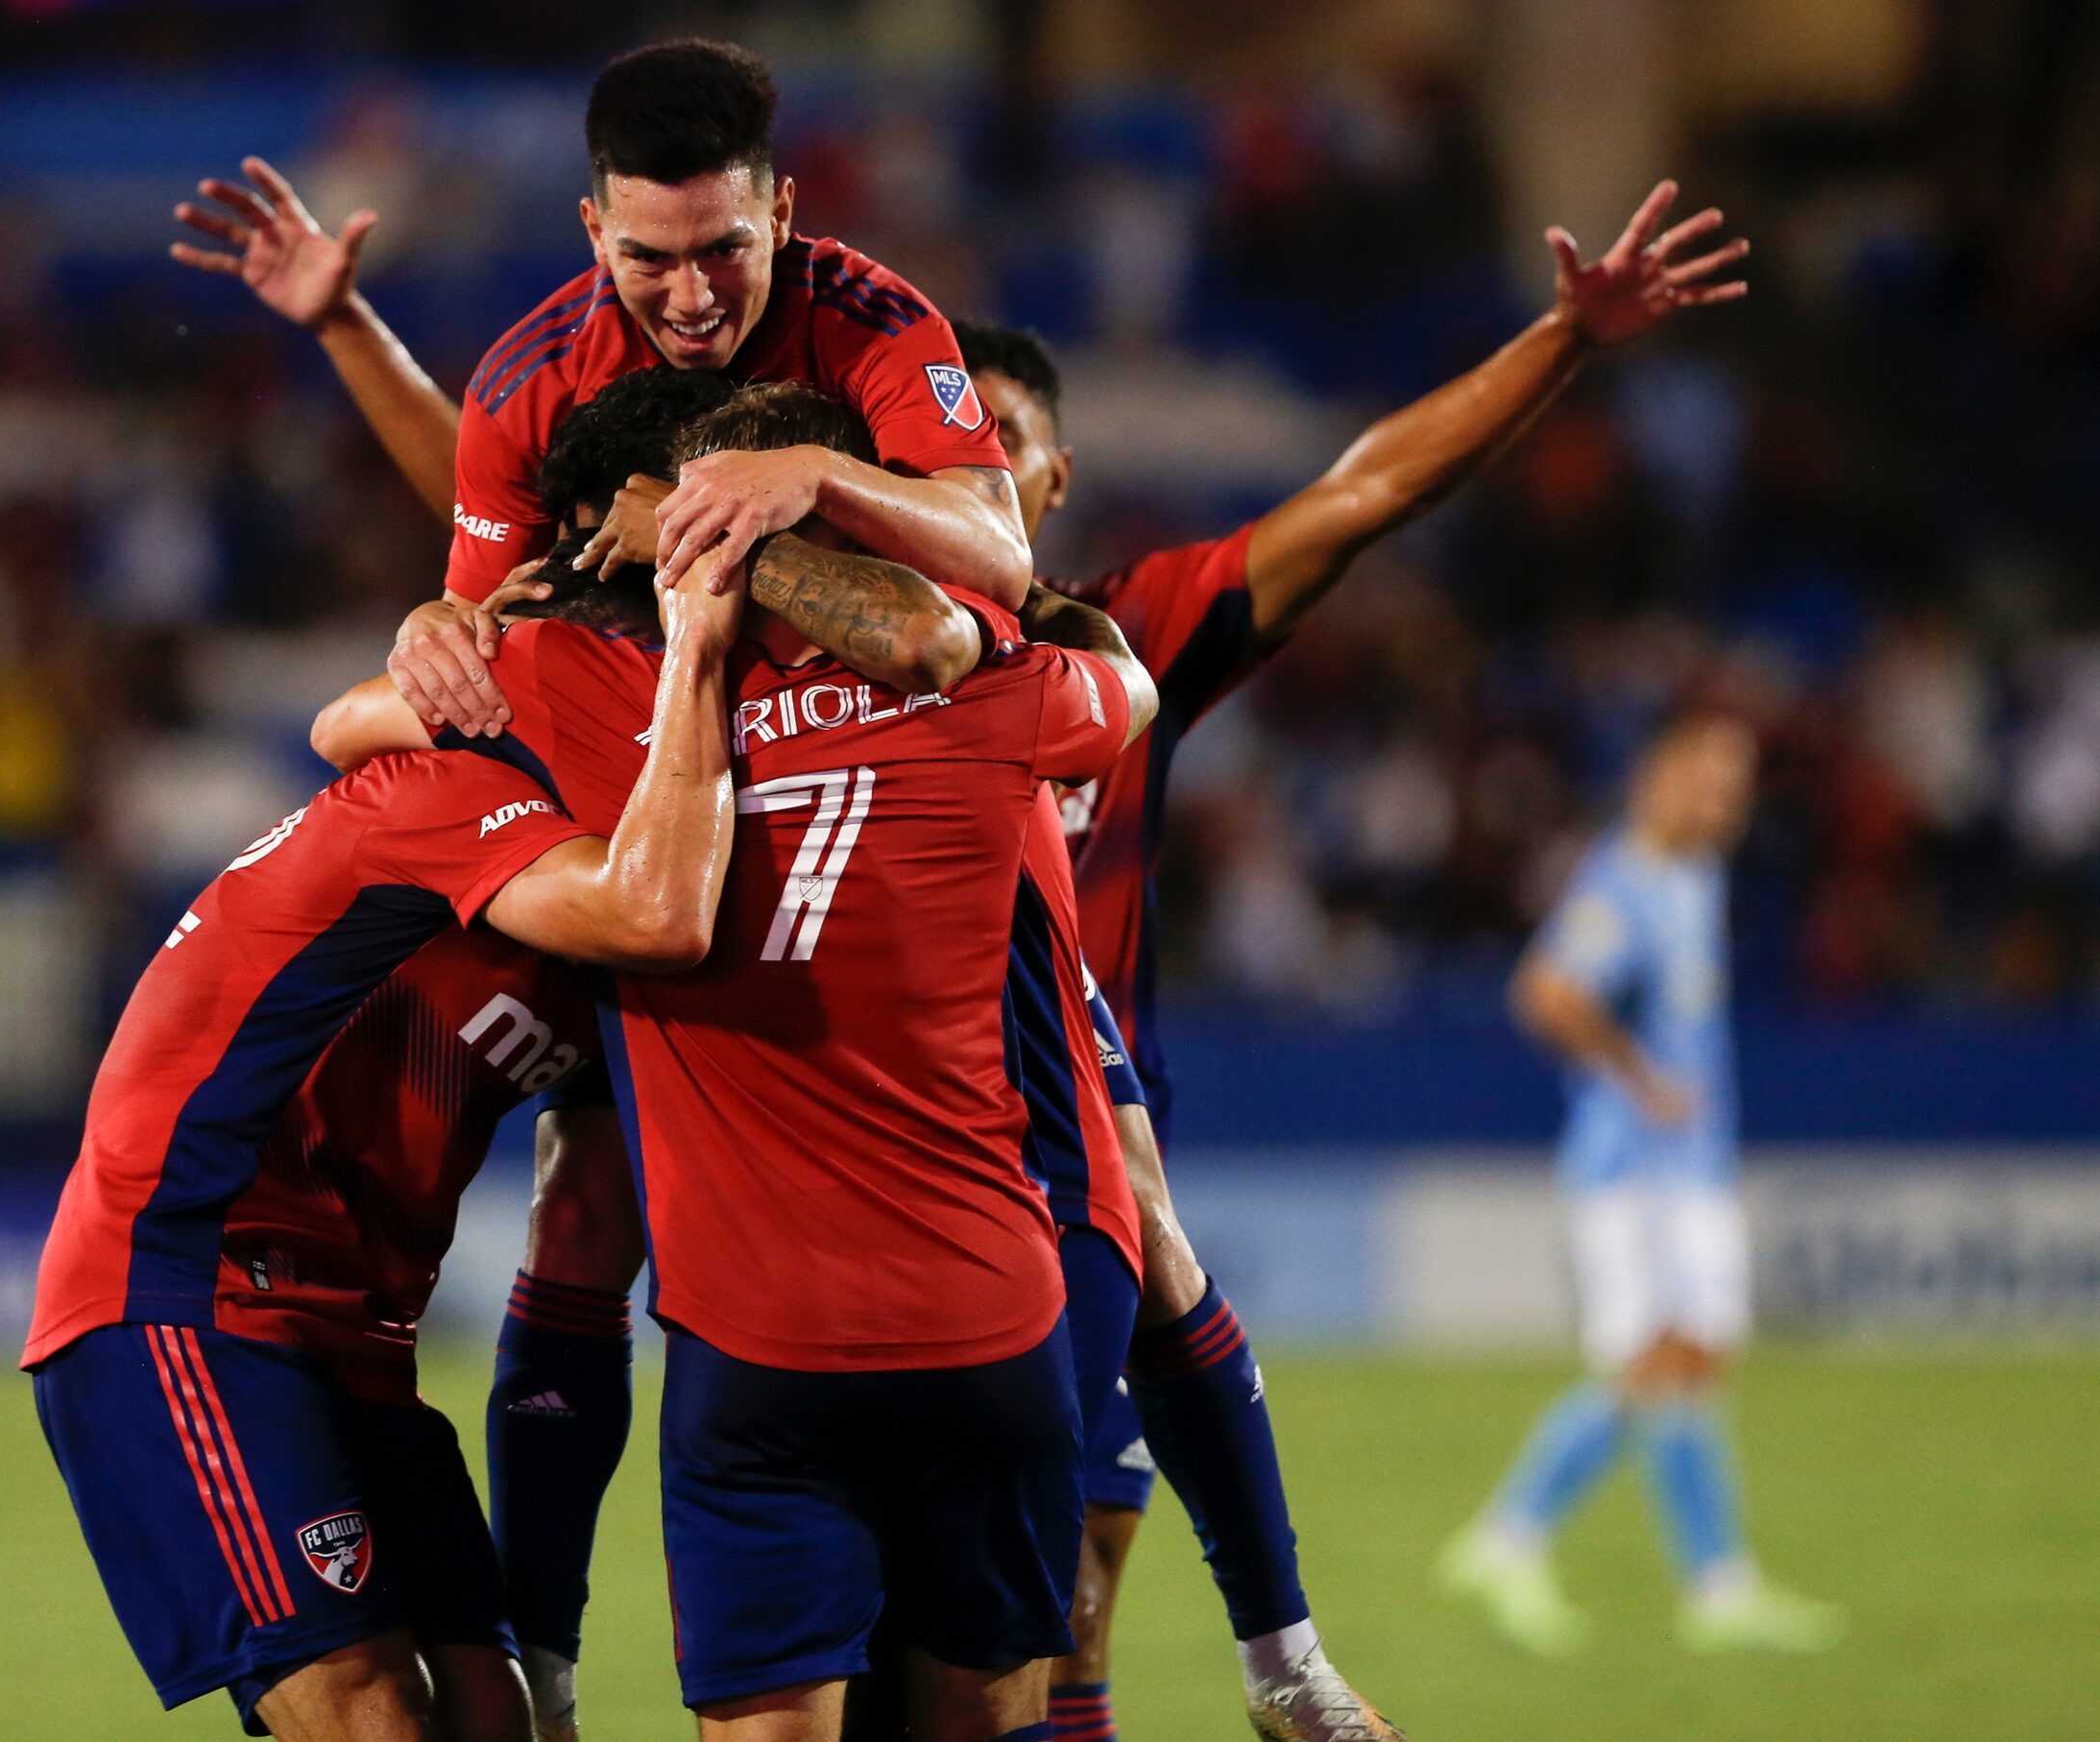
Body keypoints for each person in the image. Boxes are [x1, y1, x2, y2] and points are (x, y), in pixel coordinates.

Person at [941, 175, 1750, 1737]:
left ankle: (1276, 1664)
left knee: (1070, 1604)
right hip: (893, 1174)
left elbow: (1366, 488)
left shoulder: (1121, 645)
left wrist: (1562, 343)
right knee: (930, 1636)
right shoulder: (821, 665)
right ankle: (1281, 1659)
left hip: (1081, 1178)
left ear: (1053, 475)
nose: (968, 465)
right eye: (938, 440)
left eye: (997, 440)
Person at [323, 382, 1155, 1742]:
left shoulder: (593, 705)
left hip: (760, 1350)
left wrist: (453, 628)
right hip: (994, 1324)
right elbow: (1119, 690)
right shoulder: (992, 685)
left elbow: (347, 727)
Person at [20, 558, 743, 1742]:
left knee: (496, 1714)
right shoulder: (441, 792)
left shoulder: (600, 909)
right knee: (366, 1713)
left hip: (355, 1330)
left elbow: (588, 1251)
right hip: (191, 1283)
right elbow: (646, 911)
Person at [170, 36, 1029, 746]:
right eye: (648, 259)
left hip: (865, 708)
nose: (692, 300)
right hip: (659, 736)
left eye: (724, 251)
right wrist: (440, 630)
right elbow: (489, 612)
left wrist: (815, 473)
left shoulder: (870, 322)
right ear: (594, 232)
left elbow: (1002, 559)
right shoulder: (533, 377)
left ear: (781, 215)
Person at [1439, 711, 1845, 1657]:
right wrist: (1638, 1079)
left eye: (1736, 789)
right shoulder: (1618, 884)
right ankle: (1515, 1538)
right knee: (1651, 1364)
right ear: (1653, 779)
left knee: (1692, 1365)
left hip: (1689, 1168)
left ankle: (1711, 1584)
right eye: (1706, 782)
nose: (1724, 804)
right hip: (1632, 1173)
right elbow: (1544, 993)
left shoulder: (1693, 876)